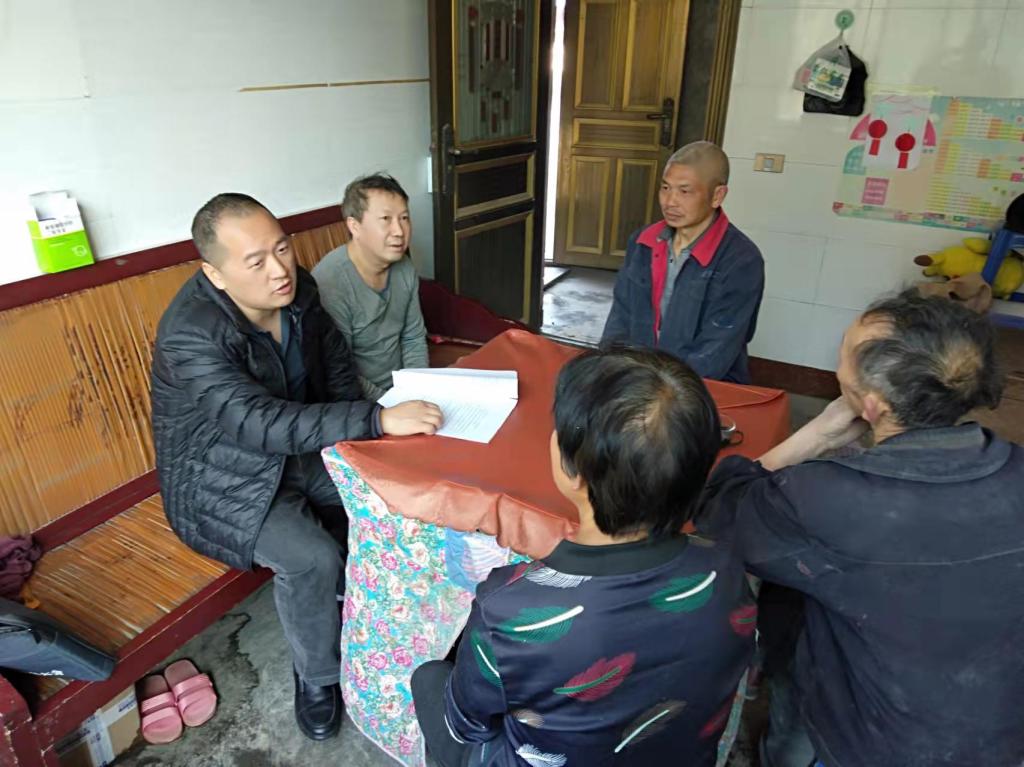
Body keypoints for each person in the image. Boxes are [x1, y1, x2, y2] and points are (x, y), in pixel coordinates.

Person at [150, 193, 442, 741]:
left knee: (392, 492)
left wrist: (364, 444)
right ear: (215, 274)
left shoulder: (298, 291)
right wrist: (374, 419)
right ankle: (318, 675)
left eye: (281, 248)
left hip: (300, 449)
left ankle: (391, 618)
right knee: (311, 558)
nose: (279, 269)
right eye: (255, 261)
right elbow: (255, 422)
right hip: (222, 480)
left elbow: (335, 365)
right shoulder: (190, 333)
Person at [698, 290, 1024, 767]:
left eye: (844, 353)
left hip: (873, 742)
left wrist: (818, 434)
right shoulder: (1014, 466)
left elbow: (720, 511)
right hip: (998, 733)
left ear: (871, 405)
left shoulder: (828, 497)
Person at [411, 347, 755, 767]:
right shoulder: (727, 568)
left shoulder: (510, 611)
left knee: (429, 678)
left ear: (572, 470)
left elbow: (467, 726)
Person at [601, 141, 764, 383]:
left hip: (700, 386)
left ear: (717, 196)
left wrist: (661, 392)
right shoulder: (643, 242)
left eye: (684, 191)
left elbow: (715, 352)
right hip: (639, 379)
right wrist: (611, 372)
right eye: (665, 188)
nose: (670, 202)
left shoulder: (741, 260)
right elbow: (620, 318)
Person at [313, 173, 429, 400]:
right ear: (354, 226)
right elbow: (340, 371)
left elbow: (413, 337)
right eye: (386, 219)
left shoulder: (404, 267)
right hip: (359, 401)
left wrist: (416, 391)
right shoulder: (331, 282)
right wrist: (390, 406)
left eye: (404, 218)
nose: (399, 231)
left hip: (404, 392)